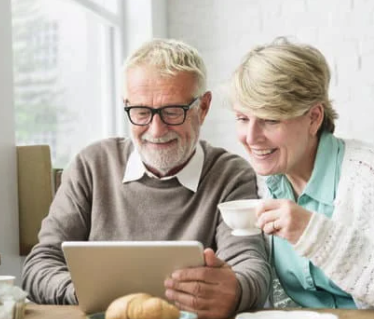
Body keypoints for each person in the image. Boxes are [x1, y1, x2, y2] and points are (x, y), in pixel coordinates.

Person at [22, 38, 271, 319]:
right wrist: (86, 294)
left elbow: (251, 267)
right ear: (126, 105)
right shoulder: (91, 165)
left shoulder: (230, 174)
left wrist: (235, 291)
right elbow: (40, 265)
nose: (156, 129)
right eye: (141, 112)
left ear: (202, 108)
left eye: (172, 112)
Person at [229, 37, 374, 309]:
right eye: (242, 118)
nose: (251, 137)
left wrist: (313, 233)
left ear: (314, 117)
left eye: (270, 119)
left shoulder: (366, 176)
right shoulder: (260, 186)